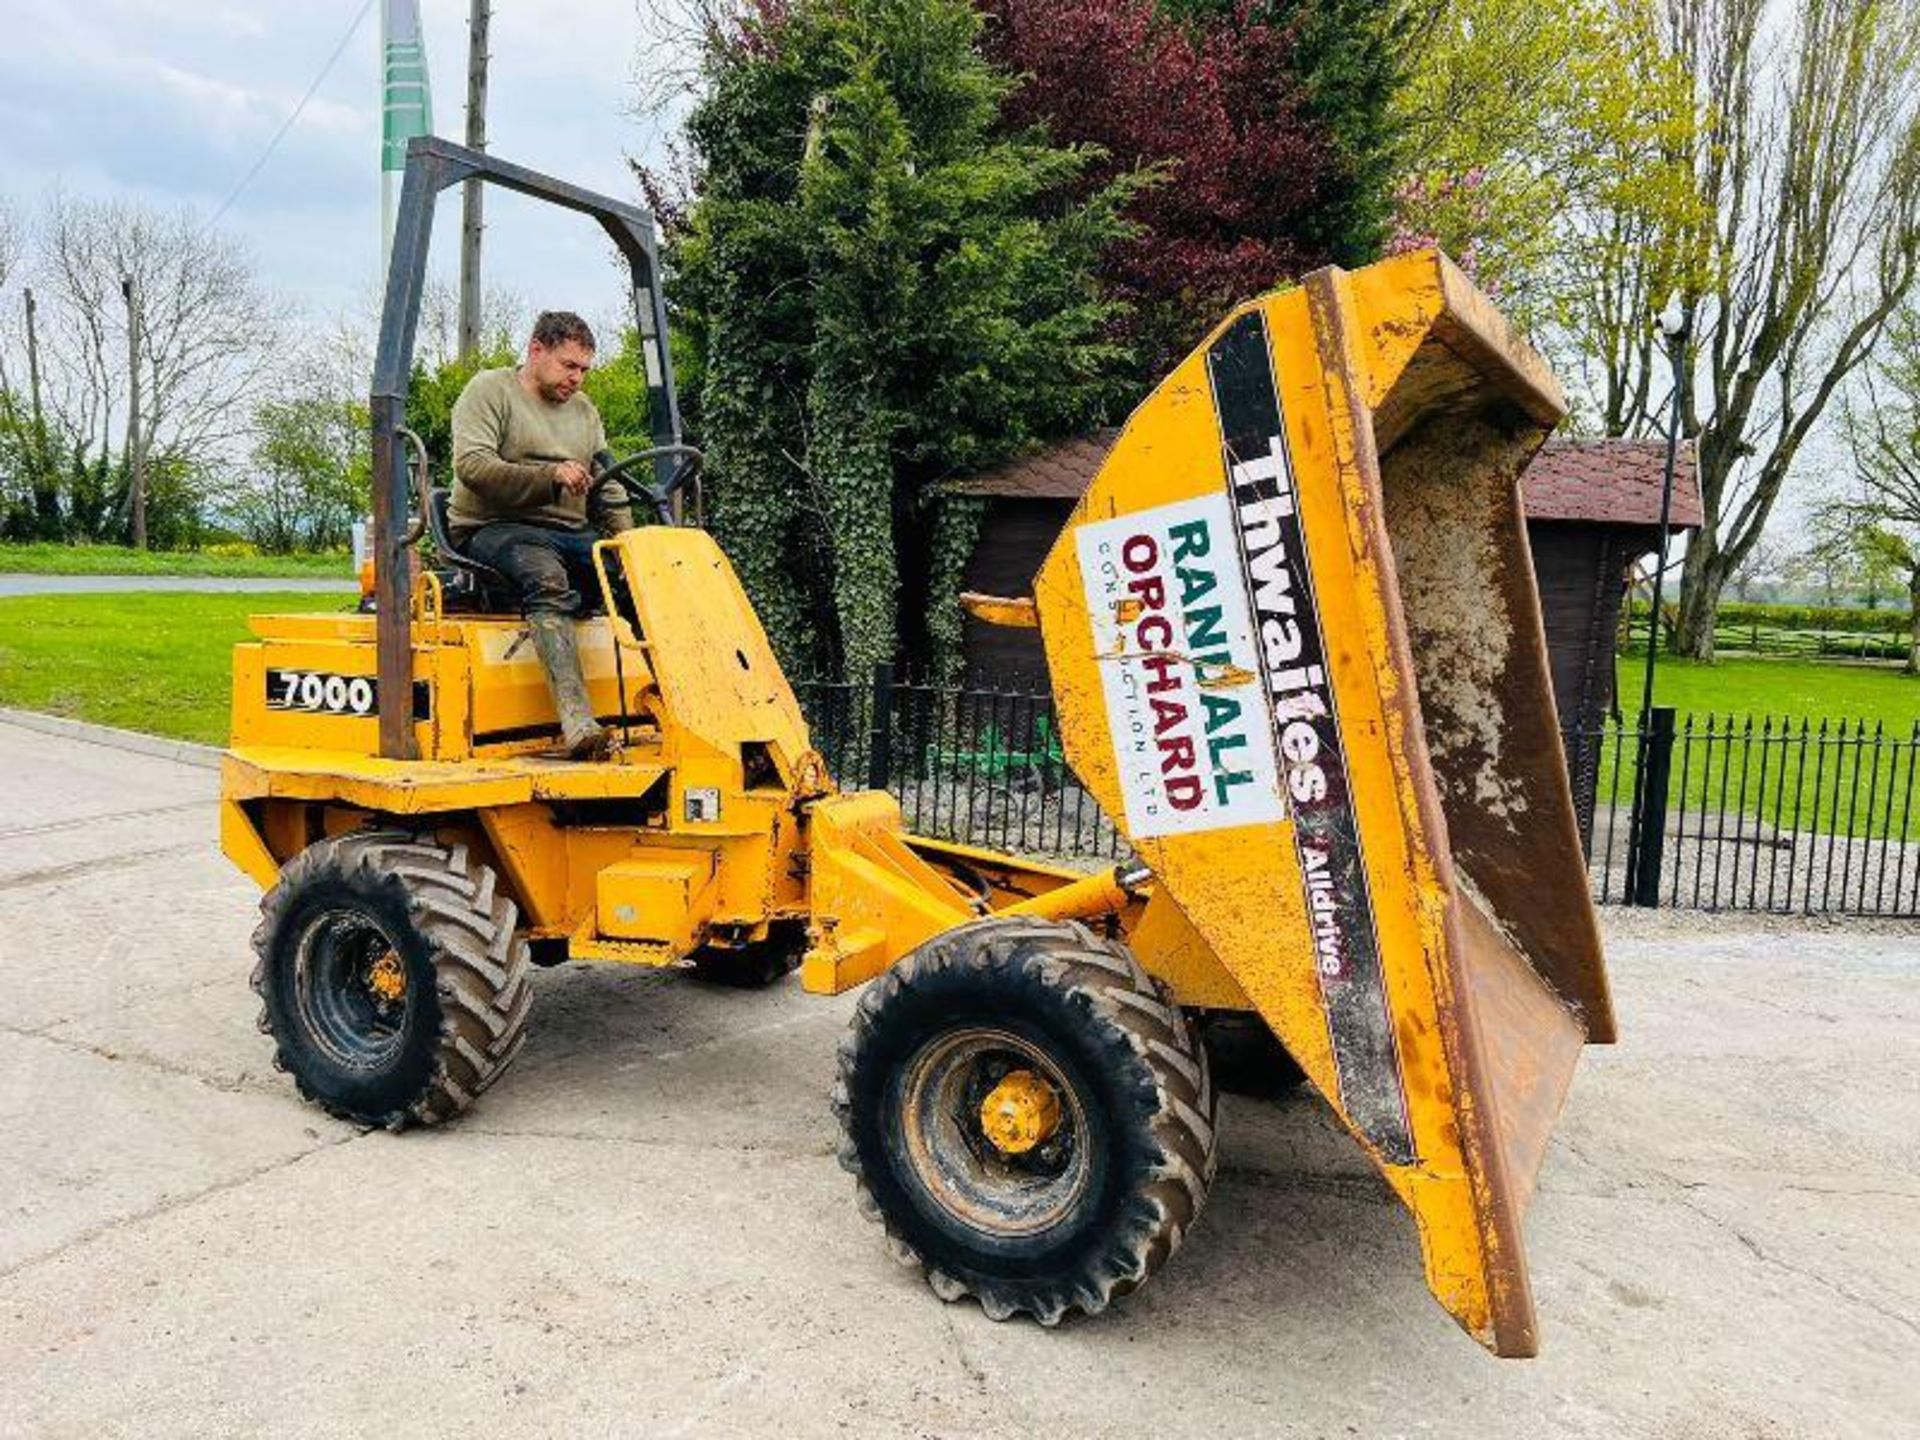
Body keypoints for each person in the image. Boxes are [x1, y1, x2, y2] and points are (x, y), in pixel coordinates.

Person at [449, 310, 633, 758]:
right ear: (536, 350)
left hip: (569, 530)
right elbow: (472, 466)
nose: (578, 379)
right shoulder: (490, 391)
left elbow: (608, 483)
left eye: (584, 370)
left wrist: (630, 546)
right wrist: (549, 475)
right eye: (569, 366)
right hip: (493, 527)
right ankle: (577, 722)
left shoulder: (585, 413)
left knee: (637, 583)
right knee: (546, 576)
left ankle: (681, 707)